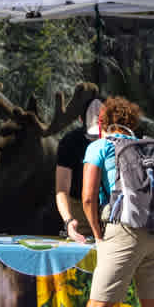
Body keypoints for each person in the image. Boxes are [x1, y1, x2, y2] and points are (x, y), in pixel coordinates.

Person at [37, 95, 154, 307]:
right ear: (133, 122)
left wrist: (97, 231)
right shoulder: (147, 147)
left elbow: (88, 197)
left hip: (122, 232)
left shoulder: (99, 146)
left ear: (101, 123)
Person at [51, 84, 102, 244]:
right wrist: (69, 221)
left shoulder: (118, 140)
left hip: (109, 208)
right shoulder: (70, 142)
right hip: (79, 209)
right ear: (81, 120)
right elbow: (62, 190)